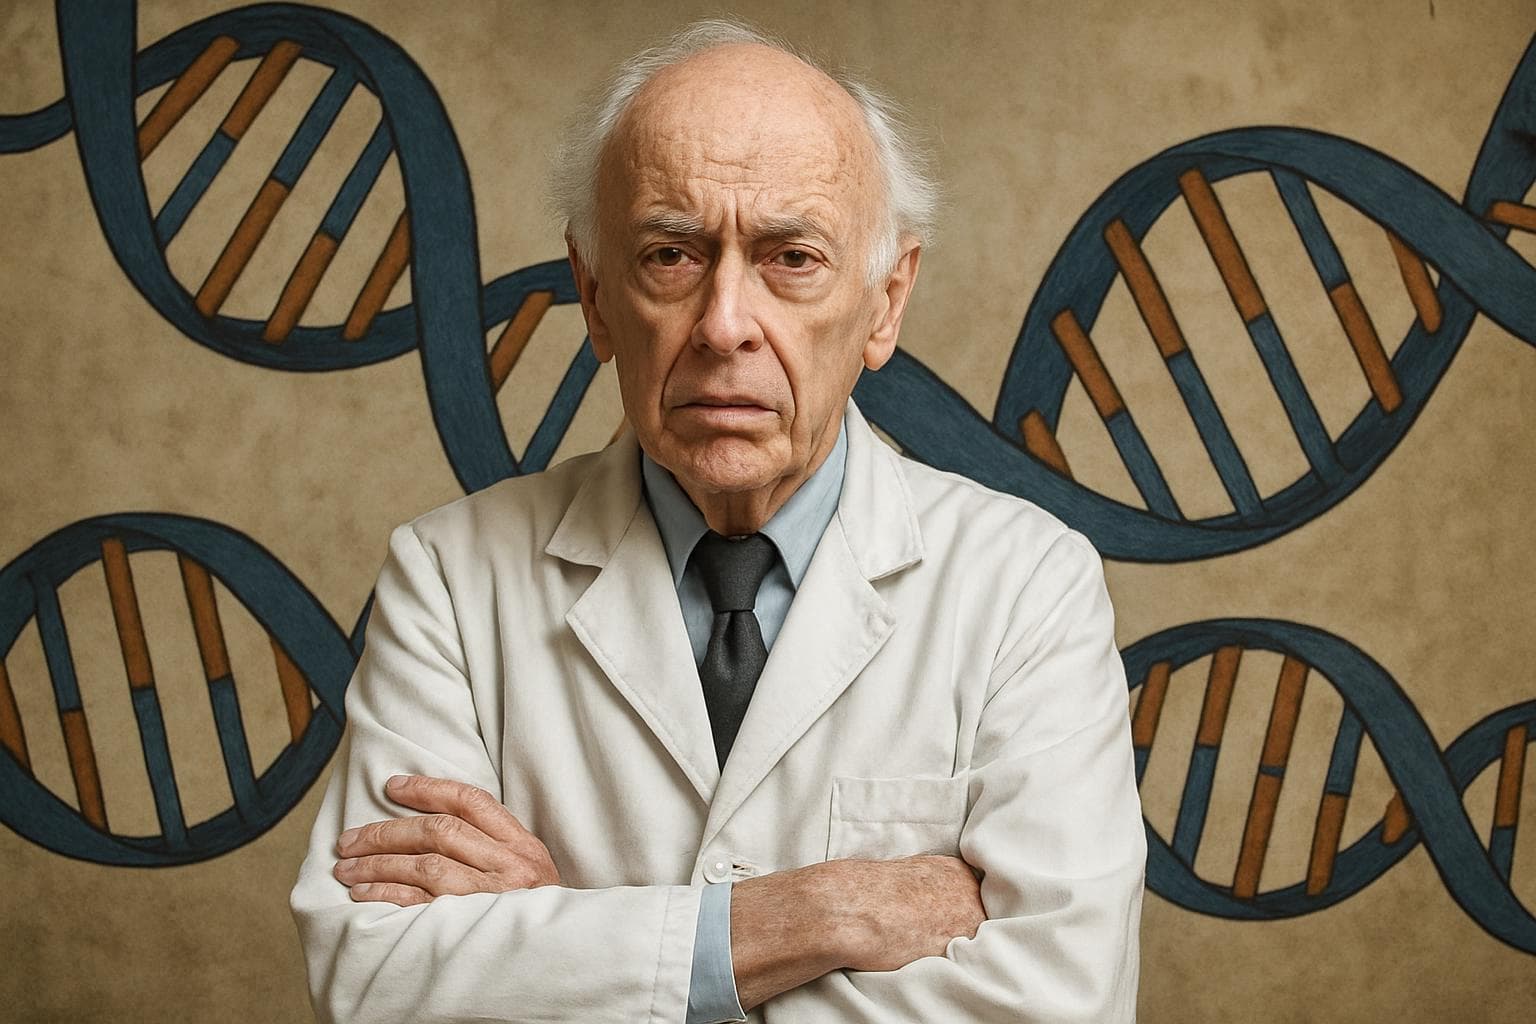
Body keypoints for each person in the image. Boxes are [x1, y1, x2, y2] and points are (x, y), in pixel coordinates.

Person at [291, 19, 1144, 1024]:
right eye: (670, 254)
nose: (726, 322)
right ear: (597, 297)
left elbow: (1058, 1003)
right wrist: (817, 913)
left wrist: (562, 941)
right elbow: (376, 983)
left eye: (791, 257)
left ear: (885, 303)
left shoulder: (1028, 585)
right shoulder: (447, 577)